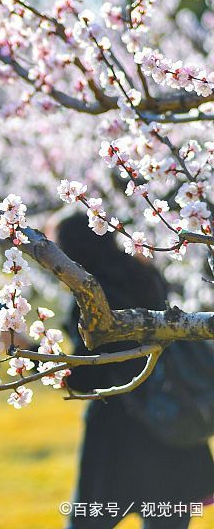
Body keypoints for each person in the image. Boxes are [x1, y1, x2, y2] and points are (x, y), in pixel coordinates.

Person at [55, 212, 214, 528]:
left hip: (119, 435)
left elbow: (88, 376)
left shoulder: (91, 301)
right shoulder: (147, 276)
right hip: (170, 417)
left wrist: (38, 360)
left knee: (88, 521)